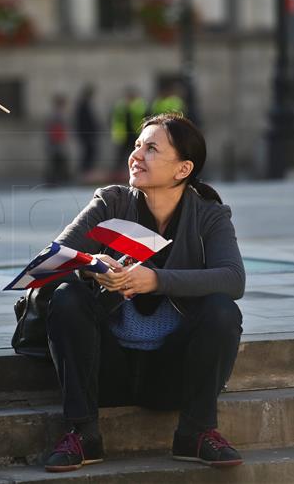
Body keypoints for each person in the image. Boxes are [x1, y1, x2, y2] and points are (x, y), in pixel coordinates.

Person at [44, 113, 245, 472]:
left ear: (183, 169)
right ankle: (83, 433)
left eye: (151, 149)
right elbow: (54, 258)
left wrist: (157, 280)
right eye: (137, 146)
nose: (136, 155)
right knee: (66, 297)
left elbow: (233, 280)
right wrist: (94, 266)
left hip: (172, 374)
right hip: (108, 368)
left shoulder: (208, 215)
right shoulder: (112, 203)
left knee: (223, 310)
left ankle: (196, 433)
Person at [110, 87, 147, 178]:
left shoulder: (139, 105)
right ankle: (118, 173)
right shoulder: (121, 106)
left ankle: (135, 171)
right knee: (121, 155)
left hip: (135, 134)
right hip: (123, 135)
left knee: (135, 153)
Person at [73, 84, 99, 179]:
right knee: (89, 153)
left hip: (86, 134)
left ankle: (85, 172)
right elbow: (84, 122)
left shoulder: (84, 105)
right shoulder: (83, 105)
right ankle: (84, 173)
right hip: (86, 135)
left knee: (89, 153)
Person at [45, 94, 70, 185]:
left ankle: (55, 179)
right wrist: (58, 141)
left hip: (56, 142)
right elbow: (55, 129)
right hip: (55, 142)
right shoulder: (56, 115)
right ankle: (52, 180)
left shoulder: (56, 114)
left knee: (56, 162)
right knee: (55, 162)